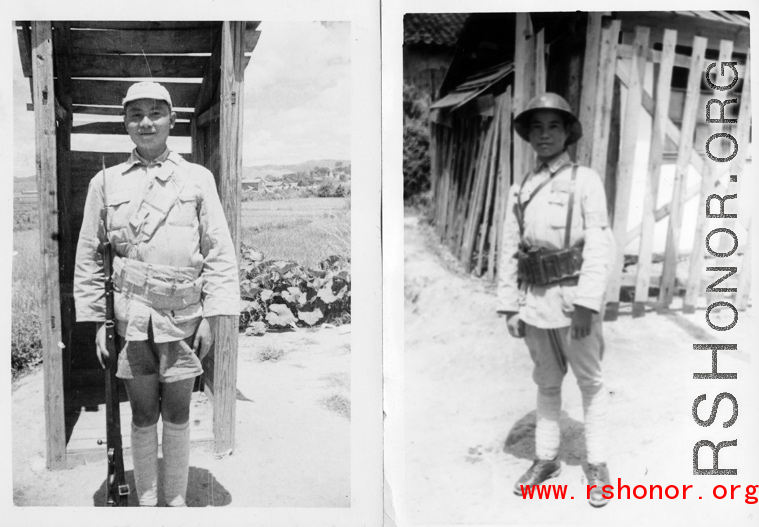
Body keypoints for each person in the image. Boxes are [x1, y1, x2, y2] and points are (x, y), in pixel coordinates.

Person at [74, 81, 240, 507]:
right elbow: (90, 257)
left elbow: (219, 251)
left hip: (184, 313)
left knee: (179, 411)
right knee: (144, 412)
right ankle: (147, 502)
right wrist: (97, 323)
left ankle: (176, 501)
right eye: (135, 114)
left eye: (155, 113)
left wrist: (213, 316)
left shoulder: (197, 178)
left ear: (172, 119)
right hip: (130, 316)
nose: (146, 122)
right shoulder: (105, 183)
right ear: (125, 123)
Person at [497, 93, 615, 507]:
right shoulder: (520, 189)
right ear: (528, 135)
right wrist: (509, 304)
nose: (544, 134)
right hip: (535, 302)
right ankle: (546, 458)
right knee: (547, 383)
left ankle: (597, 463)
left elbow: (600, 242)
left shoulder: (585, 180)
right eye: (536, 127)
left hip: (574, 301)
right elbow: (510, 247)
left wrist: (587, 301)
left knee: (590, 383)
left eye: (553, 126)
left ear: (567, 133)